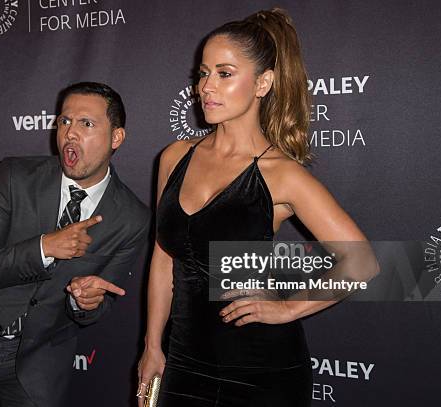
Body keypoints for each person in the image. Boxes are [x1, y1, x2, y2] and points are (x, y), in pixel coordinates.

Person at [137, 8, 377, 407]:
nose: (206, 87)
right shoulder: (174, 157)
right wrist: (152, 347)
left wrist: (290, 310)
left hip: (263, 373)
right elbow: (163, 258)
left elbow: (363, 263)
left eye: (225, 74)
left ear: (263, 83)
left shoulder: (281, 174)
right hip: (183, 362)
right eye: (203, 73)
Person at [0, 82, 150, 407]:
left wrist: (87, 303)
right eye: (65, 121)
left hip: (38, 363)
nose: (70, 133)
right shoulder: (13, 176)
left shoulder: (132, 218)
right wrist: (44, 248)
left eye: (87, 124)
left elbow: (98, 309)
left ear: (117, 138)